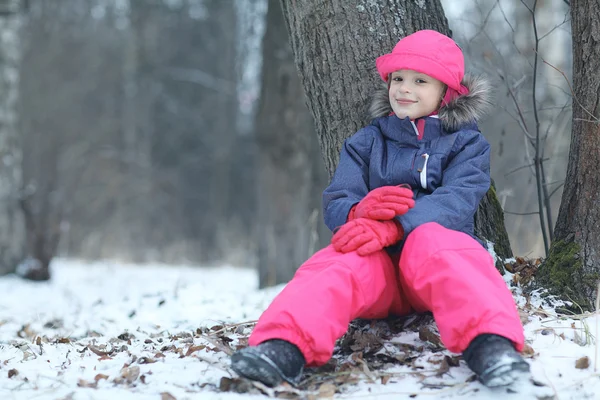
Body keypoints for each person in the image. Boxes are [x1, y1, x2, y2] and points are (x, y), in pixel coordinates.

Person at [231, 29, 530, 388]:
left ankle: (492, 346)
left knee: (441, 243)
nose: (404, 89)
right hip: (380, 271)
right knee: (341, 259)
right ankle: (282, 347)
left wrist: (398, 225)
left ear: (447, 93)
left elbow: (458, 199)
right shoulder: (368, 141)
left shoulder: (467, 144)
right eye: (398, 79)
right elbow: (338, 198)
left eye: (420, 81)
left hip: (432, 269)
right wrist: (359, 213)